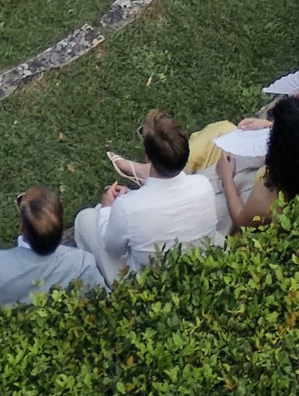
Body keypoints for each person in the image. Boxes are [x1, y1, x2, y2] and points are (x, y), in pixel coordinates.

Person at [69, 113, 226, 275]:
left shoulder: (126, 207)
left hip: (152, 282)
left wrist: (107, 209)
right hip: (197, 268)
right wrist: (132, 198)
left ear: (147, 155)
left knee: (85, 218)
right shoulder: (203, 185)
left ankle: (93, 280)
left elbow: (112, 249)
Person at [215, 97, 299, 229]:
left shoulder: (270, 198)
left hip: (251, 222)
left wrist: (226, 178)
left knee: (218, 131)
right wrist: (269, 126)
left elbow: (241, 220)